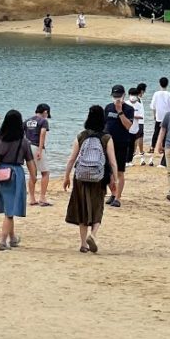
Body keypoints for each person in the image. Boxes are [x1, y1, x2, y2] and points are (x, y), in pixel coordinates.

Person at [63, 105, 120, 253]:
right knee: (97, 207)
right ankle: (93, 235)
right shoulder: (106, 138)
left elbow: (71, 159)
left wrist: (66, 177)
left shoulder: (81, 136)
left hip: (80, 177)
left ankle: (83, 244)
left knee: (82, 209)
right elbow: (113, 161)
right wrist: (115, 179)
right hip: (98, 177)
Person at [0, 110, 37, 251]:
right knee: (10, 210)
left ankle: (13, 238)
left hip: (2, 172)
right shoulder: (24, 142)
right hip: (16, 173)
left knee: (8, 207)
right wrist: (34, 177)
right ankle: (3, 241)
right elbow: (30, 162)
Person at [104, 85, 135, 207]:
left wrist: (120, 111)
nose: (116, 99)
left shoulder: (129, 109)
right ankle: (113, 193)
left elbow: (128, 126)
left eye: (119, 96)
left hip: (122, 142)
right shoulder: (107, 107)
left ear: (124, 95)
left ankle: (118, 197)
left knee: (119, 171)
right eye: (114, 96)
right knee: (107, 171)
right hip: (108, 143)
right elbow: (104, 124)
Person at [24, 103, 52, 207]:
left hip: (27, 147)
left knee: (33, 173)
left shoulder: (27, 121)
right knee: (45, 173)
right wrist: (40, 150)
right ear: (45, 112)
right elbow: (42, 134)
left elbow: (22, 134)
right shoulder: (43, 121)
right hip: (36, 147)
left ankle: (32, 198)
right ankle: (42, 197)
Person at [148, 77, 170, 167]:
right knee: (166, 135)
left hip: (158, 117)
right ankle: (164, 151)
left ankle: (152, 149)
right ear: (167, 84)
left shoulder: (156, 94)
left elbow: (153, 107)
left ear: (159, 84)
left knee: (156, 133)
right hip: (167, 118)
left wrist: (154, 115)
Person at [128, 86, 146, 165]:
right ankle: (130, 157)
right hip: (128, 125)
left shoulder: (139, 103)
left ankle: (132, 156)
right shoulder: (126, 103)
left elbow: (141, 115)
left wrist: (131, 115)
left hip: (137, 124)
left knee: (135, 140)